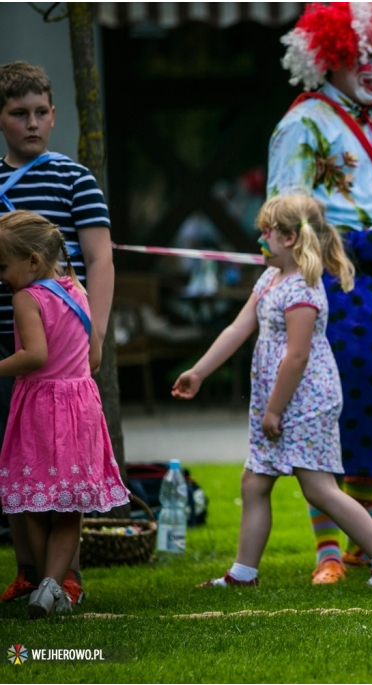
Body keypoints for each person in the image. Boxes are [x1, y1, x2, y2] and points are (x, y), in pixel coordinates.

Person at [268, 2, 372, 584]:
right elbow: (285, 214)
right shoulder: (302, 124)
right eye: (362, 56)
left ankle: (363, 546)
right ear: (329, 56)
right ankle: (328, 550)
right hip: (330, 283)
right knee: (326, 415)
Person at [173, 194, 372, 589]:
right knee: (255, 481)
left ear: (292, 239)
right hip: (279, 399)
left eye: (268, 231)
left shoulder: (303, 290)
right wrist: (199, 372)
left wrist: (273, 411)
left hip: (304, 400)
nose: (261, 238)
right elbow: (237, 329)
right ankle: (242, 574)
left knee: (318, 488)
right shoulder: (269, 280)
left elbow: (297, 357)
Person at [0, 61, 115, 609]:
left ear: (54, 115)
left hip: (60, 355)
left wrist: (97, 338)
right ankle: (29, 574)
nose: (31, 123)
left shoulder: (75, 178)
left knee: (63, 473)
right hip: (8, 348)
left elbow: (99, 259)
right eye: (18, 113)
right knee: (14, 473)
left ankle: (63, 579)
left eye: (41, 112)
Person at [0, 210, 127, 618]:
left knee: (32, 502)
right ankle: (52, 588)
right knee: (70, 505)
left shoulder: (26, 298)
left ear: (32, 262)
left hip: (41, 409)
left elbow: (35, 355)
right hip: (82, 408)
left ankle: (43, 583)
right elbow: (90, 358)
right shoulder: (78, 291)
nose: (0, 276)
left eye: (3, 266)